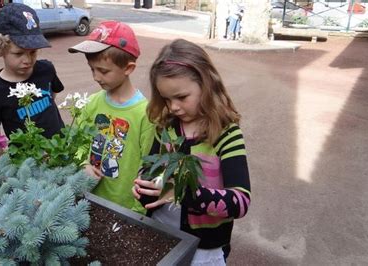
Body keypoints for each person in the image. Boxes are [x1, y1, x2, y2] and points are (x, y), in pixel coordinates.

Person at [132, 39, 251, 265]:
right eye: (166, 99)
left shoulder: (226, 135)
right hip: (161, 233)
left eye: (181, 97)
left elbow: (241, 201)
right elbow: (149, 167)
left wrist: (181, 193)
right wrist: (143, 185)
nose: (173, 107)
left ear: (206, 84)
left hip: (205, 247)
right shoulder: (166, 127)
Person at [68, 20, 155, 213]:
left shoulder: (145, 114)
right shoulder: (93, 103)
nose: (96, 77)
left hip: (125, 208)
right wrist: (83, 164)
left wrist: (138, 212)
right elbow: (78, 142)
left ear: (128, 68)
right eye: (92, 69)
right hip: (88, 198)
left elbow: (148, 166)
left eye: (103, 71)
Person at [0, 3, 65, 157]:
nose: (27, 60)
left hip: (61, 148)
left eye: (33, 52)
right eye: (19, 53)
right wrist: (3, 166)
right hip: (26, 162)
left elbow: (52, 95)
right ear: (0, 48)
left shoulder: (46, 69)